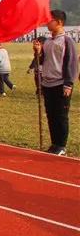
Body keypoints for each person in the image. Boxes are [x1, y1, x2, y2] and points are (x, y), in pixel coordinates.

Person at [34, 10, 77, 156]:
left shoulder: (66, 41)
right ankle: (54, 143)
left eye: (50, 20)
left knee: (61, 115)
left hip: (60, 83)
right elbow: (42, 60)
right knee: (51, 114)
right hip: (48, 83)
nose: (47, 23)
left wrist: (68, 83)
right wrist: (38, 51)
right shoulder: (47, 42)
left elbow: (71, 64)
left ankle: (61, 145)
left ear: (59, 22)